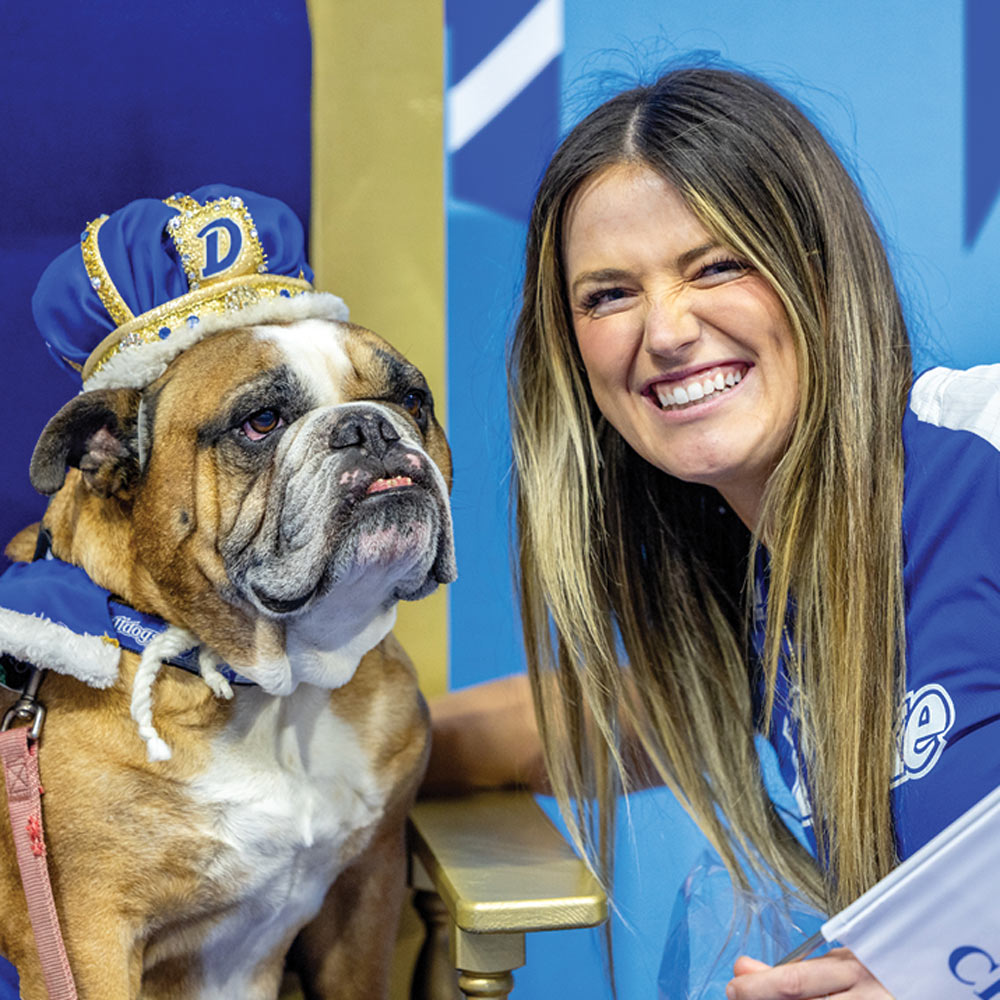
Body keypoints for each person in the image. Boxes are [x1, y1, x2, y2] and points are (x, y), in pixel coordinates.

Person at [427, 65, 1000, 999]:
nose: (666, 331)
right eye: (608, 295)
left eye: (718, 265)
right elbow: (608, 717)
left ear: (818, 267)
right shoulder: (765, 602)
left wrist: (944, 972)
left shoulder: (982, 451)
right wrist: (313, 758)